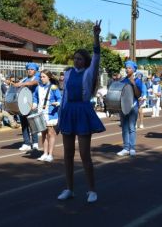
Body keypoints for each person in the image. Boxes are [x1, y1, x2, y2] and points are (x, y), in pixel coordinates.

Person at [57, 20, 105, 203]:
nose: (76, 60)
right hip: (68, 112)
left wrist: (95, 36)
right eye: (74, 58)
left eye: (79, 58)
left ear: (85, 61)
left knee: (84, 154)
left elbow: (97, 54)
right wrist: (60, 118)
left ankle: (91, 190)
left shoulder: (89, 72)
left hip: (83, 111)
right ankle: (69, 188)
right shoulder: (68, 73)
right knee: (67, 154)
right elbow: (64, 96)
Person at [33, 70, 62, 163]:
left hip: (51, 114)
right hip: (41, 113)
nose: (42, 78)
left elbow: (60, 98)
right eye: (41, 77)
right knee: (43, 134)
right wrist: (34, 103)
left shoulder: (53, 87)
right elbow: (35, 97)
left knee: (51, 133)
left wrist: (57, 103)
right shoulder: (38, 87)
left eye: (43, 77)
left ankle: (50, 154)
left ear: (49, 77)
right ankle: (45, 153)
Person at [116, 60, 143, 157]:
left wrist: (134, 84)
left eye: (129, 68)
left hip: (133, 107)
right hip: (123, 107)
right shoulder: (123, 80)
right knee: (124, 128)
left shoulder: (138, 80)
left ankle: (132, 148)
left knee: (131, 128)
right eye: (126, 68)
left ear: (134, 69)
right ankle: (126, 148)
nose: (127, 69)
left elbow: (139, 94)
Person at [13, 63, 40, 151]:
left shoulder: (37, 77)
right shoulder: (24, 79)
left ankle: (35, 143)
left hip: (33, 104)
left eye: (32, 69)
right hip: (22, 104)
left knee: (32, 124)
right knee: (24, 125)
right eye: (28, 69)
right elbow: (17, 86)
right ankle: (26, 143)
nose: (29, 71)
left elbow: (33, 83)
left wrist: (21, 84)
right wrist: (14, 84)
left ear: (35, 71)